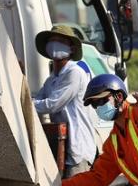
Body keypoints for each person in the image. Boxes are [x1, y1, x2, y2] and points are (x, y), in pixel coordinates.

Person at [32, 25, 96, 177]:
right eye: (52, 40)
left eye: (60, 41)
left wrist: (24, 104)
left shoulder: (75, 73)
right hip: (61, 145)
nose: (55, 44)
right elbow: (38, 99)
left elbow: (53, 104)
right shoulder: (51, 79)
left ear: (72, 49)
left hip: (77, 148)